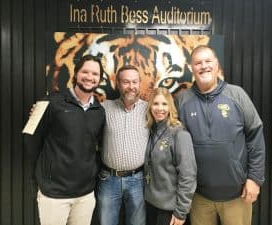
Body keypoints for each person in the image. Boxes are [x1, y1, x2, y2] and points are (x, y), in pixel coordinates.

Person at [175, 45, 266, 225]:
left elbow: (256, 136)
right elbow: (174, 144)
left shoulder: (237, 95)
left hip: (237, 196)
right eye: (198, 63)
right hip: (199, 197)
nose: (204, 66)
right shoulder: (182, 100)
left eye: (208, 61)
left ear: (217, 65)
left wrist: (255, 179)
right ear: (191, 68)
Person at [28, 54, 105, 225]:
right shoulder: (51, 101)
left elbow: (96, 148)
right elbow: (31, 140)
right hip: (54, 195)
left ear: (99, 79)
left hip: (85, 195)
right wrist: (40, 178)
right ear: (76, 73)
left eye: (95, 74)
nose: (90, 77)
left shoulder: (99, 111)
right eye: (85, 72)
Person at [97, 65, 149, 225]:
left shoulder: (148, 109)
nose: (131, 87)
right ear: (118, 84)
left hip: (138, 180)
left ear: (140, 83)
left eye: (134, 82)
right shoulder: (104, 107)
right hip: (108, 179)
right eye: (126, 82)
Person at [144, 87, 197, 225]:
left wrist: (181, 212)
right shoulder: (151, 130)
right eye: (155, 104)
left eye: (164, 104)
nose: (159, 108)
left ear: (170, 106)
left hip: (170, 210)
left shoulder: (179, 134)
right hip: (150, 204)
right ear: (150, 106)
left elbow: (188, 175)